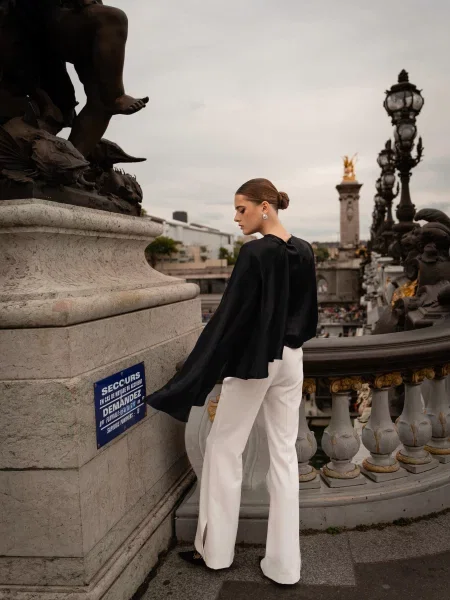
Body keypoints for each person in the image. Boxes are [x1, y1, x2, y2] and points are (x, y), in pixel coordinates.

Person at [145, 178, 318, 585]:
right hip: (293, 360)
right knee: (284, 455)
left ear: (265, 207)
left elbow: (228, 318)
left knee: (223, 447)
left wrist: (198, 368)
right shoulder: (305, 250)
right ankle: (285, 566)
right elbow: (309, 314)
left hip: (257, 362)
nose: (236, 217)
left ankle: (217, 553)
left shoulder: (255, 253)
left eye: (242, 209)